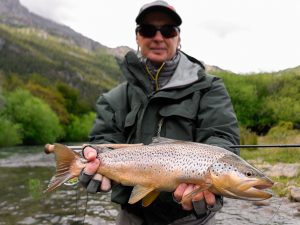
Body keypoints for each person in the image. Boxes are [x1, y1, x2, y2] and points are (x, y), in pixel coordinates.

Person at [79, 1, 240, 224]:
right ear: (137, 37)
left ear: (178, 38)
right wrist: (94, 156)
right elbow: (103, 141)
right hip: (132, 217)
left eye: (167, 30)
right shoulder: (114, 98)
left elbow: (222, 137)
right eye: (148, 30)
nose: (158, 37)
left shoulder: (209, 88)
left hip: (193, 218)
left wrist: (215, 174)